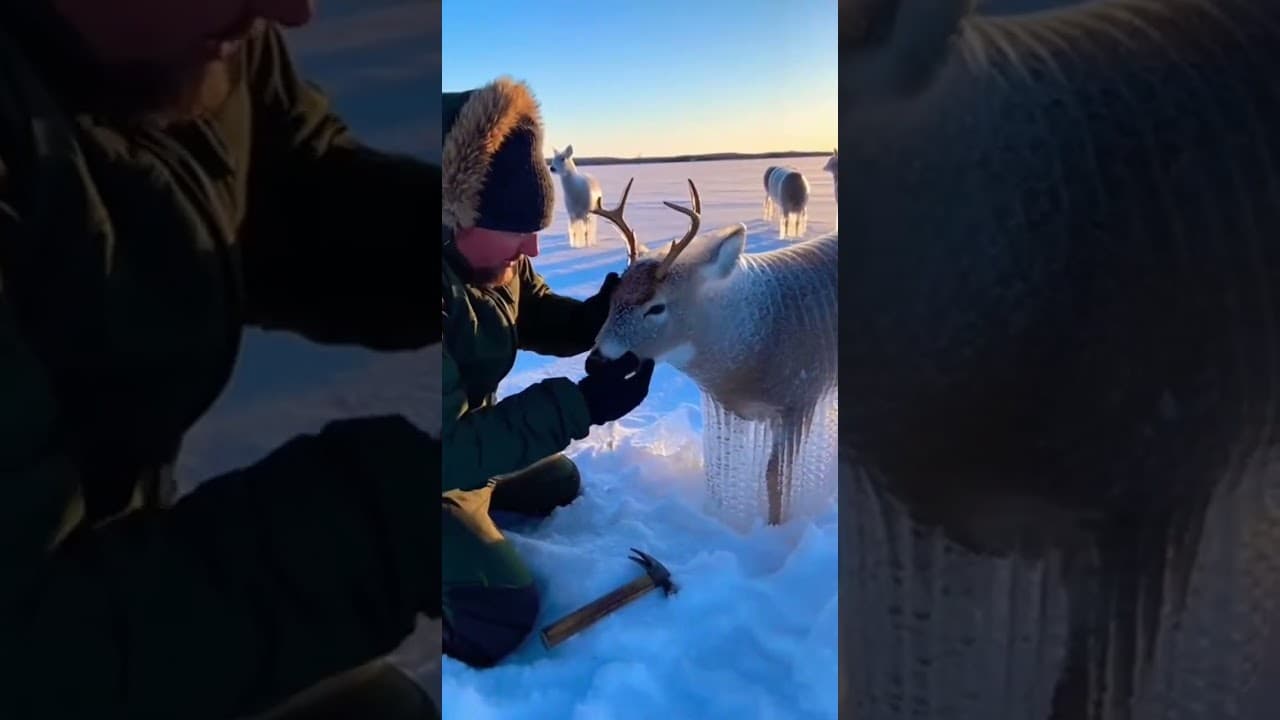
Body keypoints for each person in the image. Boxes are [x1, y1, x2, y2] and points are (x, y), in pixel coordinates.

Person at [0, 1, 442, 718]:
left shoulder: (205, 39)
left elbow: (291, 190)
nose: (292, 10)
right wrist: (388, 525)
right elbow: (26, 654)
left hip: (107, 565)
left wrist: (468, 259)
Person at [440, 76, 656, 668]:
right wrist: (582, 405)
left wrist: (597, 316)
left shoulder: (494, 264)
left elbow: (529, 311)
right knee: (498, 615)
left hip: (456, 446)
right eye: (518, 231)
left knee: (558, 482)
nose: (531, 250)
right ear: (455, 214)